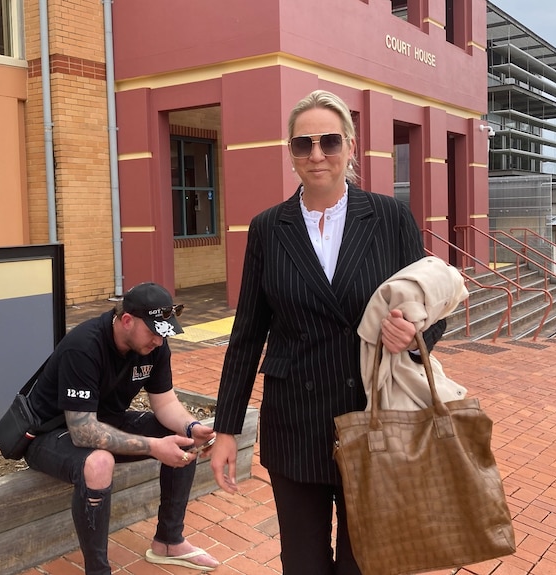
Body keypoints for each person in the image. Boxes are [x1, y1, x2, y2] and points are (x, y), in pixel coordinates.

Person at [209, 90, 446, 574]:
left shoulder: (388, 216)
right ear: (290, 152)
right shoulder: (268, 228)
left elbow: (433, 304)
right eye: (303, 144)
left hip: (372, 415)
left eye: (329, 141)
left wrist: (414, 337)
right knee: (302, 563)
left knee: (365, 562)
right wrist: (227, 428)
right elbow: (248, 333)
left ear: (351, 147)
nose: (316, 155)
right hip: (295, 419)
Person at [25, 282, 220, 574]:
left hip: (106, 421)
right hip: (51, 434)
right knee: (99, 462)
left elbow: (165, 402)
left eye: (163, 333)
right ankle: (98, 570)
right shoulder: (84, 345)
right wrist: (154, 447)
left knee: (183, 439)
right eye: (154, 332)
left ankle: (168, 541)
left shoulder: (155, 346)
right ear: (126, 320)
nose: (158, 341)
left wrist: (191, 427)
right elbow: (83, 432)